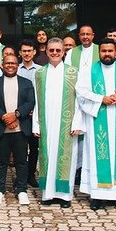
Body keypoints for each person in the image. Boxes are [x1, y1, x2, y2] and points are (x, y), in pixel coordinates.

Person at [76, 39, 116, 211]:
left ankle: (114, 196)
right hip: (97, 120)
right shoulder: (89, 70)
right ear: (99, 52)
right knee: (96, 157)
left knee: (115, 157)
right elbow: (81, 91)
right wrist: (101, 99)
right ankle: (96, 197)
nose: (107, 54)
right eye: (104, 51)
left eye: (110, 51)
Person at [32, 38, 84, 208]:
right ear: (46, 52)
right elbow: (36, 100)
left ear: (63, 52)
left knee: (66, 158)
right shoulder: (40, 73)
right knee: (47, 157)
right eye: (51, 50)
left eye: (58, 50)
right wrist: (36, 124)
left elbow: (79, 100)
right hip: (46, 123)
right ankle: (48, 194)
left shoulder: (73, 72)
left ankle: (64, 196)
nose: (54, 53)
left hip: (67, 124)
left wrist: (77, 123)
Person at [0, 53, 35, 206]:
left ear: (17, 65)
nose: (10, 66)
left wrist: (16, 115)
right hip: (1, 128)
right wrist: (4, 118)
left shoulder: (26, 83)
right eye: (7, 63)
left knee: (21, 161)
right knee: (1, 161)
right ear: (2, 65)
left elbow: (30, 102)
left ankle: (21, 190)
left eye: (13, 63)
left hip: (20, 129)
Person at [17, 40, 41, 187]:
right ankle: (20, 176)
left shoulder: (41, 70)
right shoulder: (15, 69)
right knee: (20, 147)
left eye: (29, 50)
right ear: (20, 53)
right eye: (24, 51)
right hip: (19, 114)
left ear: (34, 52)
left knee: (34, 147)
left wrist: (36, 110)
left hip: (34, 115)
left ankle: (31, 175)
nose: (27, 53)